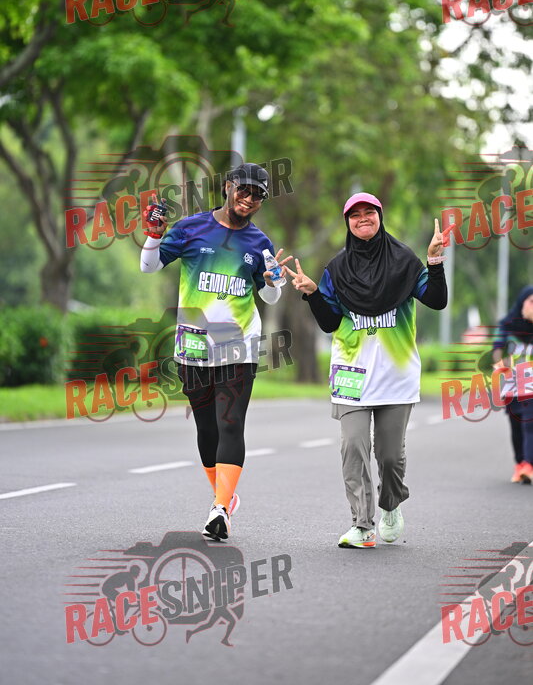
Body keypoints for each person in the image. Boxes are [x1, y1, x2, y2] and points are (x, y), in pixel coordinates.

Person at [284, 192, 448, 549]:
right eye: (354, 214)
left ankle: (391, 504)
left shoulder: (404, 261)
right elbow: (329, 323)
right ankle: (361, 524)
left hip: (396, 376)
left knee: (389, 457)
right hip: (351, 375)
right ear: (347, 223)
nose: (362, 218)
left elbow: (436, 300)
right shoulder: (336, 269)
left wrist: (434, 260)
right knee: (353, 449)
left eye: (368, 212)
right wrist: (313, 293)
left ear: (379, 216)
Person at [140, 163, 291, 541]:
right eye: (244, 190)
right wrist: (154, 236)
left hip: (239, 346)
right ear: (227, 187)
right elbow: (149, 266)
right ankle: (223, 495)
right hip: (193, 345)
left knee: (230, 424)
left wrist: (274, 281)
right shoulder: (191, 228)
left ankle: (220, 509)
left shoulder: (260, 243)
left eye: (258, 195)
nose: (250, 199)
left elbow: (271, 295)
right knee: (207, 429)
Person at [492, 286, 533, 484]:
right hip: (512, 387)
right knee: (516, 426)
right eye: (531, 302)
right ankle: (520, 464)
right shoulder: (507, 326)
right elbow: (497, 350)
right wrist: (500, 362)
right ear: (522, 303)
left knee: (530, 424)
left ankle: (529, 465)